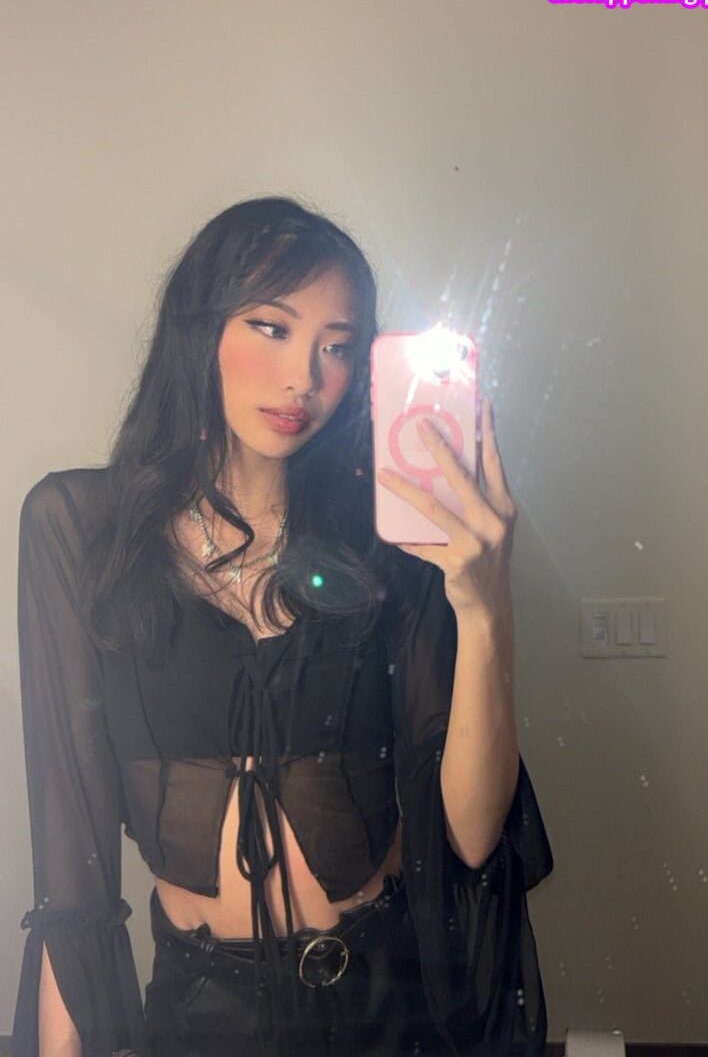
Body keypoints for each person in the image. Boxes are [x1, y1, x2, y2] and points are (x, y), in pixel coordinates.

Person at [12, 196, 553, 1057]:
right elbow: (72, 860)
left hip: (389, 1006)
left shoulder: (393, 541)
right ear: (200, 329)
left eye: (337, 345)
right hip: (198, 1014)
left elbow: (471, 835)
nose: (305, 375)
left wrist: (487, 606)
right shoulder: (78, 530)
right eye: (272, 327)